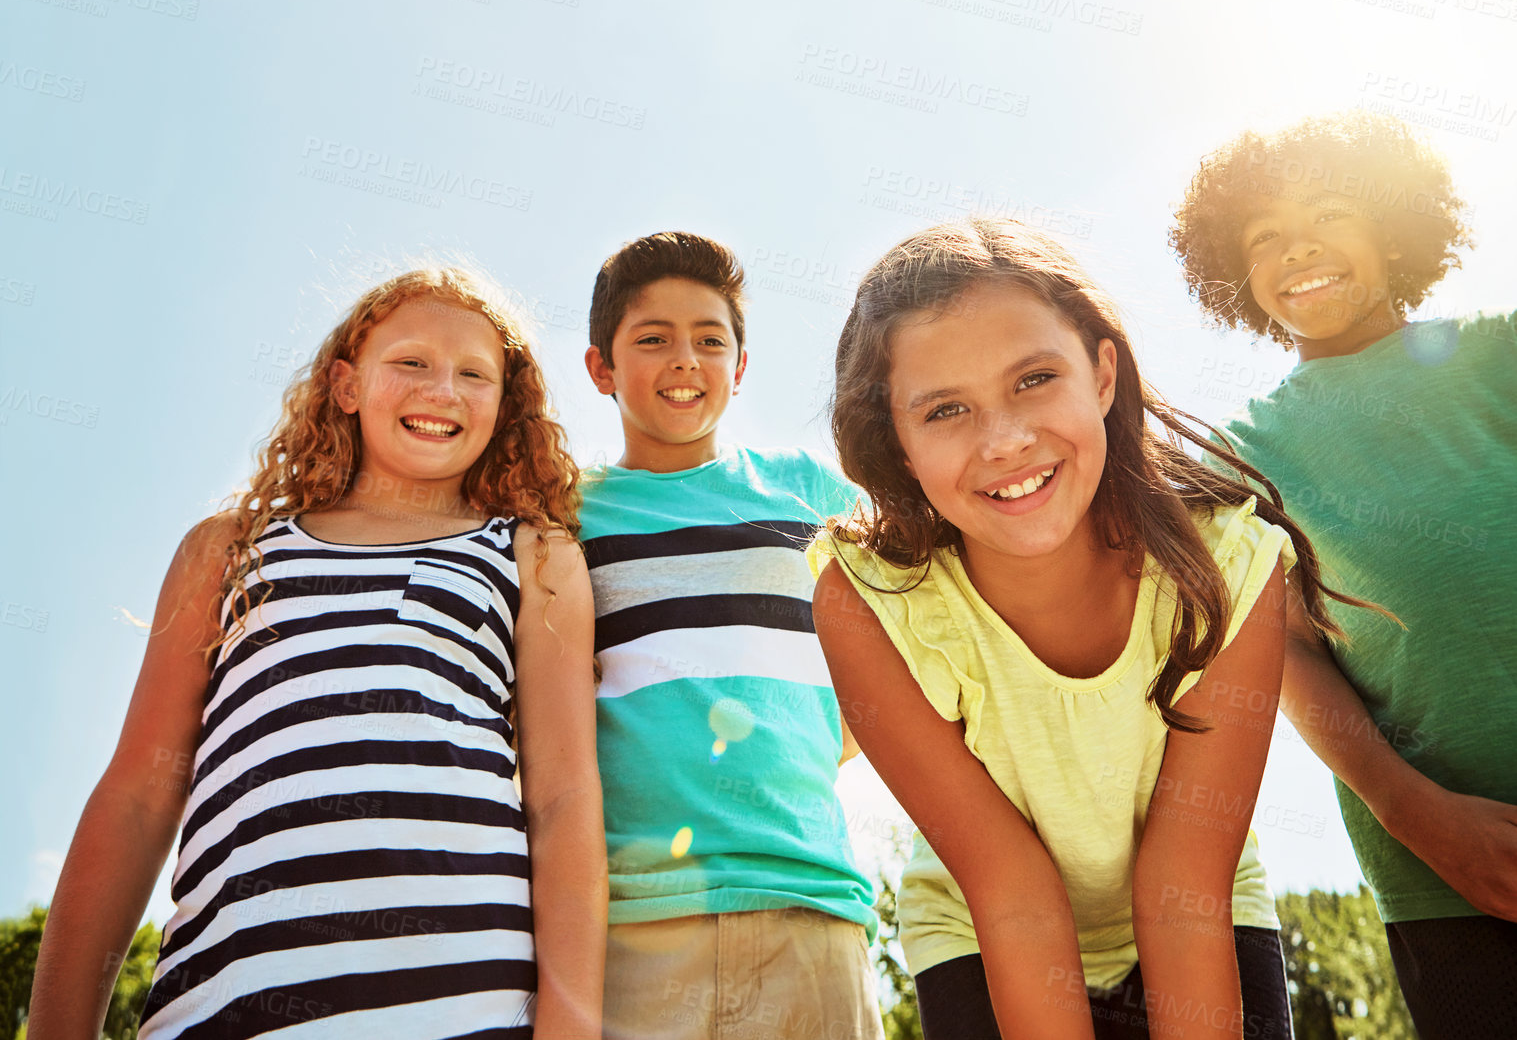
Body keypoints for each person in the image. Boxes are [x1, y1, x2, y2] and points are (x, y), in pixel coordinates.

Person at [809, 218, 1361, 1039]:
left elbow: (1186, 889)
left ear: (1102, 374)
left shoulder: (1228, 568)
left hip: (1193, 900)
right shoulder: (867, 602)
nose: (1003, 439)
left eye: (1033, 379)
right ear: (896, 440)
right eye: (945, 409)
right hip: (978, 926)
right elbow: (1011, 895)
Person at [28, 267, 605, 1039]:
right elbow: (138, 796)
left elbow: (563, 797)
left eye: (474, 374)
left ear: (504, 407)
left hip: (465, 1006)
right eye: (411, 362)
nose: (442, 389)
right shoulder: (231, 550)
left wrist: (569, 1027)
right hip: (225, 1003)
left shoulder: (532, 555)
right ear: (344, 385)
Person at [1170, 109, 1517, 1039]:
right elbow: (1279, 651)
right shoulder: (1241, 459)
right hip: (1448, 873)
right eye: (1264, 237)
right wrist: (1421, 818)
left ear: (1392, 227)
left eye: (1330, 214)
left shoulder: (1502, 352)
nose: (1299, 251)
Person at [579, 231, 883, 1040]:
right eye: (653, 340)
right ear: (600, 369)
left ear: (739, 368)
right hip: (632, 919)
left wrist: (824, 730)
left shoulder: (806, 490)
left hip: (810, 900)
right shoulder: (565, 514)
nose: (685, 360)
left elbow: (908, 636)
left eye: (709, 341)